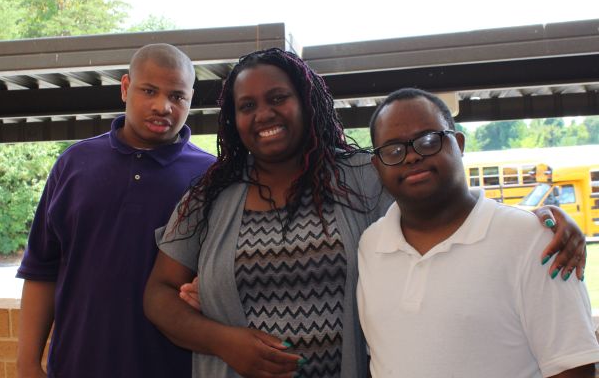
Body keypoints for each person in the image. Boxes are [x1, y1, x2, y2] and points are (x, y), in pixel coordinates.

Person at [143, 48, 587, 378]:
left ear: (306, 101)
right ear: (232, 119)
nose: (264, 114)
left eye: (278, 98)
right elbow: (159, 295)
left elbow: (442, 204)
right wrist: (225, 341)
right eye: (247, 106)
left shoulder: (363, 175)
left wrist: (539, 219)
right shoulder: (209, 196)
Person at [357, 88, 599, 377]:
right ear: (377, 166)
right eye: (393, 150)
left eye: (428, 140)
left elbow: (573, 367)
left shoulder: (531, 240)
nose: (411, 157)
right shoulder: (371, 246)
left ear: (459, 144)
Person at [16, 43, 215, 378]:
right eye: (149, 90)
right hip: (75, 367)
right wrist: (26, 365)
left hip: (173, 368)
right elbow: (41, 271)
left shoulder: (211, 177)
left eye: (177, 96)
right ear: (125, 87)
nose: (162, 106)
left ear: (191, 99)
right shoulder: (73, 164)